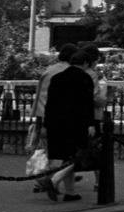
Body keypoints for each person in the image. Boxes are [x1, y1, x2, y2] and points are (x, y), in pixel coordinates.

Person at [40, 48, 97, 201]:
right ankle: (53, 180)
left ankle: (70, 193)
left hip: (56, 123)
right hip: (76, 123)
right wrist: (90, 124)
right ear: (85, 63)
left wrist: (45, 125)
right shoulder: (85, 78)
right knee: (78, 157)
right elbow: (87, 104)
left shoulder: (57, 77)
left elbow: (49, 104)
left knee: (66, 157)